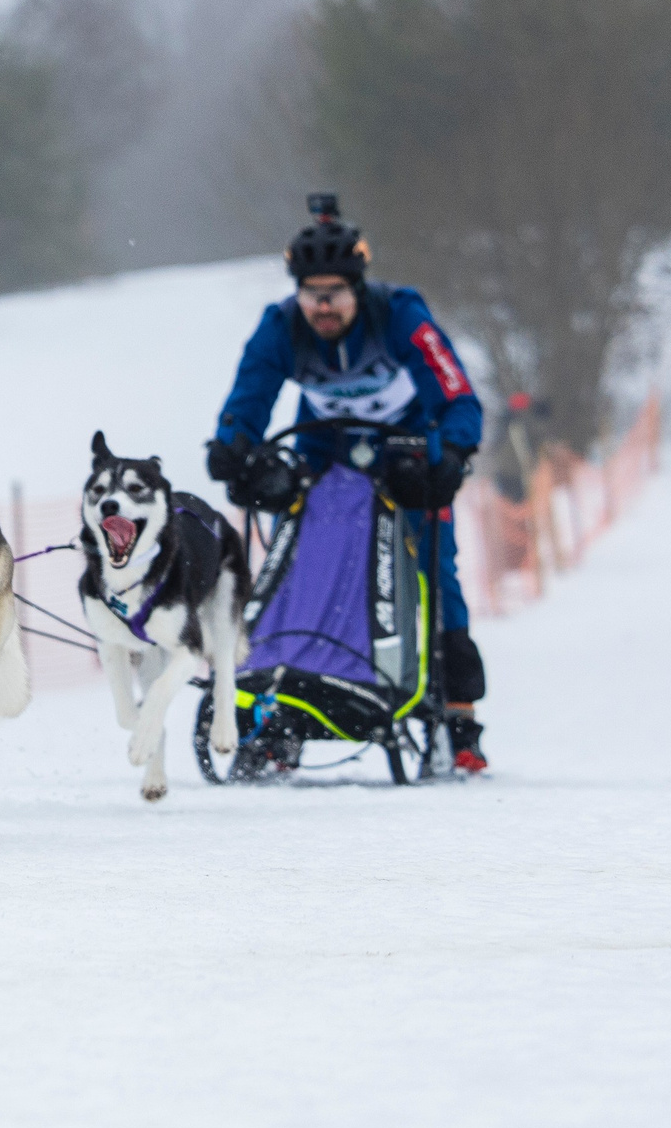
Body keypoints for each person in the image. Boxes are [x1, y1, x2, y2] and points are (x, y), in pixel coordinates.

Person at [205, 196, 490, 773]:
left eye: (335, 292)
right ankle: (286, 701)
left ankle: (459, 716)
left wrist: (454, 452)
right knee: (300, 564)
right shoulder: (280, 326)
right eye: (312, 294)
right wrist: (233, 447)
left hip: (406, 449)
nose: (324, 306)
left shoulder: (400, 313)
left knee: (436, 568)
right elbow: (250, 395)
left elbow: (455, 393)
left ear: (358, 289)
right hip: (324, 448)